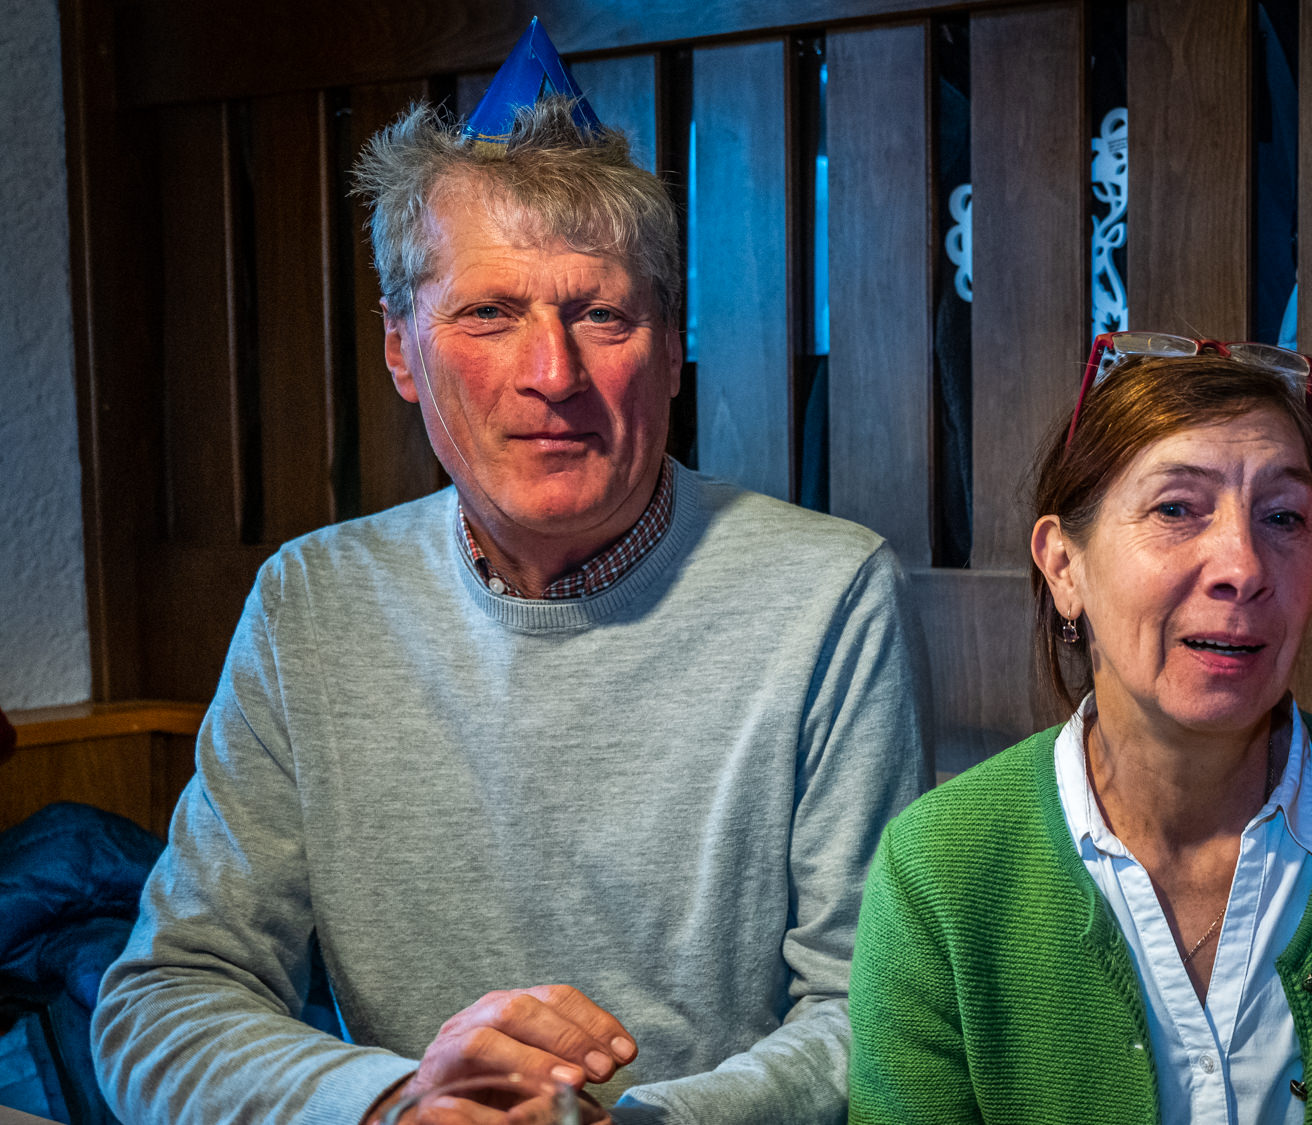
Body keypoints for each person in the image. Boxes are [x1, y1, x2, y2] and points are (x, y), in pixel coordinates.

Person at [90, 30, 929, 1125]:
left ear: (672, 349)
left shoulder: (827, 594)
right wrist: (396, 1103)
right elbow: (165, 999)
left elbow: (875, 1008)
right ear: (402, 349)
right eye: (488, 314)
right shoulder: (314, 604)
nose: (552, 374)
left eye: (601, 315)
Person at [847, 332, 1312, 1125]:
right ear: (1064, 565)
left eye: (1283, 516)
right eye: (1176, 508)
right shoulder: (941, 872)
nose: (1244, 566)